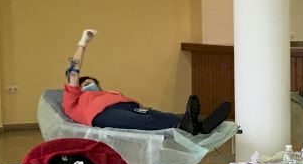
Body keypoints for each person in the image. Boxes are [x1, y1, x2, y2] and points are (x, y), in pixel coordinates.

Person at [62, 29, 231, 133]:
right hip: (102, 113)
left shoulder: (107, 93)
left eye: (94, 83)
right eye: (86, 84)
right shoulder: (73, 101)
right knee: (142, 121)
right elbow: (73, 72)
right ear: (78, 89)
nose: (92, 86)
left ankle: (199, 126)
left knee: (162, 116)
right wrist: (82, 43)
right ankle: (189, 126)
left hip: (128, 106)